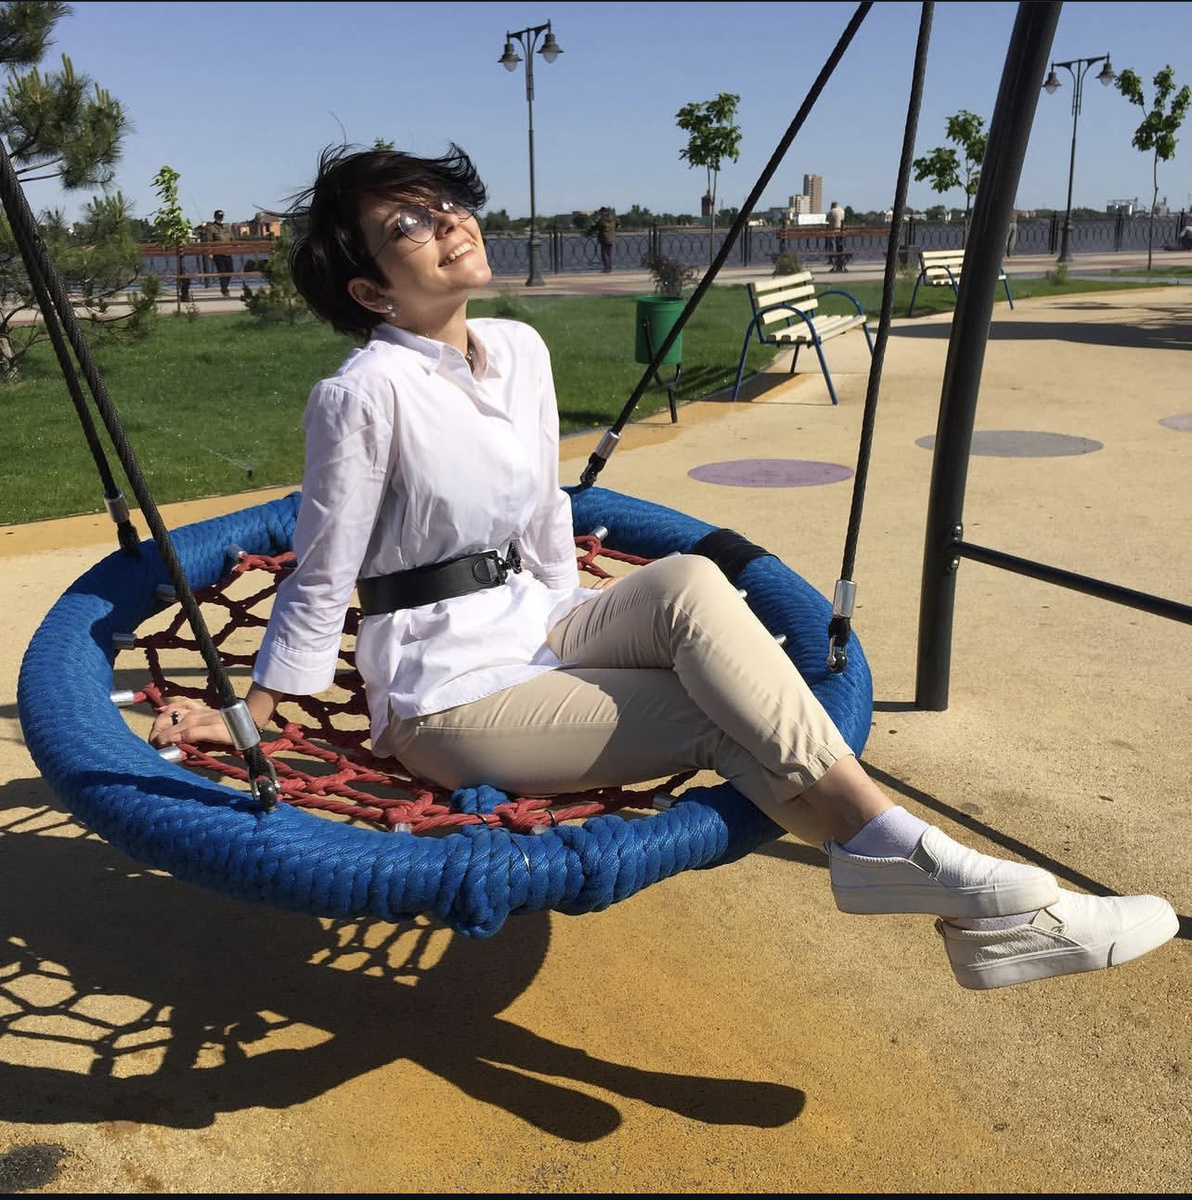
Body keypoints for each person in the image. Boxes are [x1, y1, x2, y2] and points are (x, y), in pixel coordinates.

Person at [148, 144, 1178, 992]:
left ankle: (928, 878)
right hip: (447, 693)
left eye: (444, 202)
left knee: (688, 585)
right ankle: (956, 881)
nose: (449, 222)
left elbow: (545, 512)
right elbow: (324, 568)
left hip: (541, 623)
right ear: (372, 288)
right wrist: (253, 716)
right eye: (407, 223)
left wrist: (588, 626)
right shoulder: (362, 394)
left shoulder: (517, 351)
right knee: (721, 714)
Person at [205, 208, 235, 297]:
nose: (220, 218)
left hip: (228, 252)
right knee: (222, 271)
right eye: (219, 216)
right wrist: (210, 252)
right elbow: (209, 241)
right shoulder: (211, 228)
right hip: (218, 253)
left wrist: (235, 246)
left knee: (230, 271)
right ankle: (225, 290)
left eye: (221, 216)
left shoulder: (227, 227)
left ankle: (224, 287)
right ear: (215, 217)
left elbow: (232, 238)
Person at [588, 206, 617, 273]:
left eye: (601, 212)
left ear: (603, 212)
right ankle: (609, 268)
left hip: (604, 238)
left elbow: (596, 227)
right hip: (612, 238)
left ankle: (606, 268)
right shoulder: (613, 219)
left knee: (604, 254)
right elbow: (617, 224)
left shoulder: (602, 220)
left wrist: (590, 230)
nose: (600, 213)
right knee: (609, 254)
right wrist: (613, 230)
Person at [826, 200, 847, 272]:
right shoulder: (842, 211)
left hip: (832, 231)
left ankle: (832, 260)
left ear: (832, 206)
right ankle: (840, 258)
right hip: (840, 231)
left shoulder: (830, 212)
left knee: (832, 245)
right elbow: (843, 221)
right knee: (839, 245)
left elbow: (827, 222)